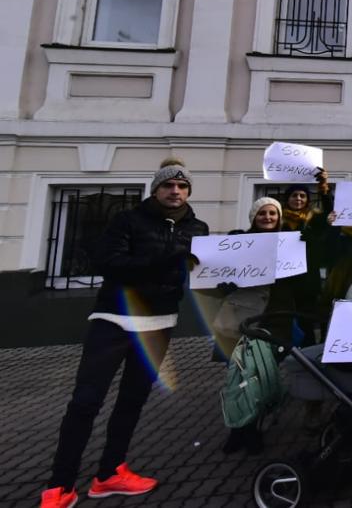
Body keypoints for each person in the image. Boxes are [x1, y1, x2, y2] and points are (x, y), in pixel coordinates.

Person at [41, 159, 209, 508]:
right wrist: (168, 261)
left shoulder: (199, 228)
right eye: (168, 185)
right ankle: (60, 484)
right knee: (86, 401)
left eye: (181, 186)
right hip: (114, 320)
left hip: (160, 323)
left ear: (189, 191)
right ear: (156, 189)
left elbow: (196, 274)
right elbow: (109, 263)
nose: (175, 191)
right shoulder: (127, 220)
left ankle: (109, 473)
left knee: (131, 402)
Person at [214, 197, 285, 456]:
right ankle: (237, 429)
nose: (268, 218)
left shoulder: (288, 244)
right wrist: (226, 283)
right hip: (238, 319)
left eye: (273, 214)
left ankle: (253, 429)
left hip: (270, 318)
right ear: (254, 217)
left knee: (261, 377)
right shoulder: (238, 241)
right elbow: (218, 276)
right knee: (237, 377)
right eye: (262, 213)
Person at [279, 170, 332, 342]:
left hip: (308, 281)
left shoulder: (314, 220)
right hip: (283, 281)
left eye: (302, 195)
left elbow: (330, 213)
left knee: (307, 322)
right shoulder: (278, 220)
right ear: (287, 199)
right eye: (294, 195)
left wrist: (324, 187)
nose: (298, 199)